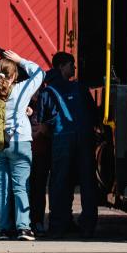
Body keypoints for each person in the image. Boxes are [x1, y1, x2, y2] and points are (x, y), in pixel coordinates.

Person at [0, 44, 44, 241]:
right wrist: (20, 59)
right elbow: (40, 73)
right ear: (14, 75)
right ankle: (23, 227)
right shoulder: (21, 90)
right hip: (20, 141)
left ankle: (4, 227)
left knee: (1, 186)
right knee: (20, 186)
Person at [39, 52, 99, 238]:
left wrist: (55, 137)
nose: (74, 68)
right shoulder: (80, 89)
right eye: (71, 65)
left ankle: (59, 225)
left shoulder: (48, 91)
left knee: (60, 183)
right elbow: (94, 116)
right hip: (84, 139)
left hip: (60, 140)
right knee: (87, 184)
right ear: (62, 66)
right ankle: (87, 226)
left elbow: (42, 126)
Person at [28, 85, 51, 236]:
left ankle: (37, 221)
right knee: (33, 189)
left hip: (38, 151)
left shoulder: (41, 106)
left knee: (37, 189)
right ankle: (33, 222)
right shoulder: (27, 107)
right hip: (31, 151)